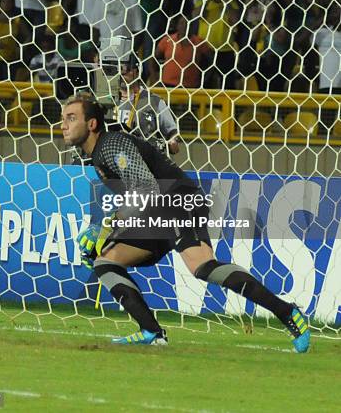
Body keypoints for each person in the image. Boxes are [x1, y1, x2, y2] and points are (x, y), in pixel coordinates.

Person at [61, 94, 310, 352]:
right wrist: (109, 233)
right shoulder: (99, 155)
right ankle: (151, 331)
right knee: (105, 260)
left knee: (203, 268)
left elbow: (145, 187)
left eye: (71, 118)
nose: (64, 125)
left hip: (179, 203)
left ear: (91, 124)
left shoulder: (111, 145)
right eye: (62, 119)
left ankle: (287, 312)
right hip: (156, 213)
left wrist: (106, 227)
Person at [116, 64, 180, 154]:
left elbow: (172, 133)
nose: (121, 73)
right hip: (112, 159)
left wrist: (172, 142)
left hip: (142, 160)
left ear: (137, 72)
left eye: (126, 70)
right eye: (118, 69)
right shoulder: (105, 100)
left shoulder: (154, 101)